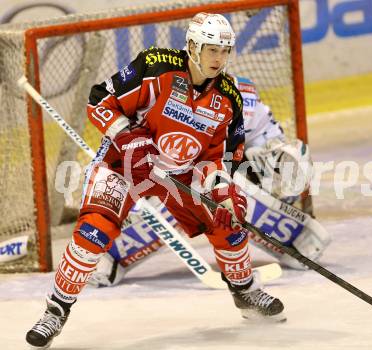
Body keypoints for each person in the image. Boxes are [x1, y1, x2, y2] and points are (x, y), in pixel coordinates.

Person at [26, 13, 285, 349]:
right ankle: (56, 310)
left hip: (180, 173)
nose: (218, 58)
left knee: (229, 220)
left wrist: (221, 194)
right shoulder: (155, 67)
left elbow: (221, 157)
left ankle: (245, 291)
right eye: (211, 49)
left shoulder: (228, 98)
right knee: (94, 231)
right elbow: (99, 100)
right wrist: (129, 134)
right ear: (192, 46)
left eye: (224, 51)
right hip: (125, 163)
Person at [89, 74, 323, 287]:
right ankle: (113, 252)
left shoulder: (244, 101)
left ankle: (293, 234)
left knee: (222, 193)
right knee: (187, 191)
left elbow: (277, 159)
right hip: (160, 179)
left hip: (218, 181)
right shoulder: (166, 95)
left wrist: (272, 173)